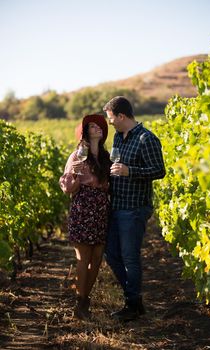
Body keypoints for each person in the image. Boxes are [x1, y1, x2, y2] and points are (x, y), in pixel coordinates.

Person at [103, 96, 166, 322]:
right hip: (116, 206)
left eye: (111, 118)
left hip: (134, 208)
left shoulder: (146, 138)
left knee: (130, 258)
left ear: (121, 116)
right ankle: (135, 299)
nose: (109, 122)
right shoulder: (118, 137)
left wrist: (131, 171)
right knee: (111, 254)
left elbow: (159, 171)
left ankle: (132, 303)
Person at [59, 114, 111, 319]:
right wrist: (75, 175)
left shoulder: (106, 158)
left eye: (99, 125)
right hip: (83, 207)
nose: (97, 127)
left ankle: (84, 298)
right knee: (83, 257)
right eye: (92, 126)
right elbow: (68, 189)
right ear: (85, 133)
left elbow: (110, 186)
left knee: (97, 258)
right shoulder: (77, 156)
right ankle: (80, 302)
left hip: (101, 209)